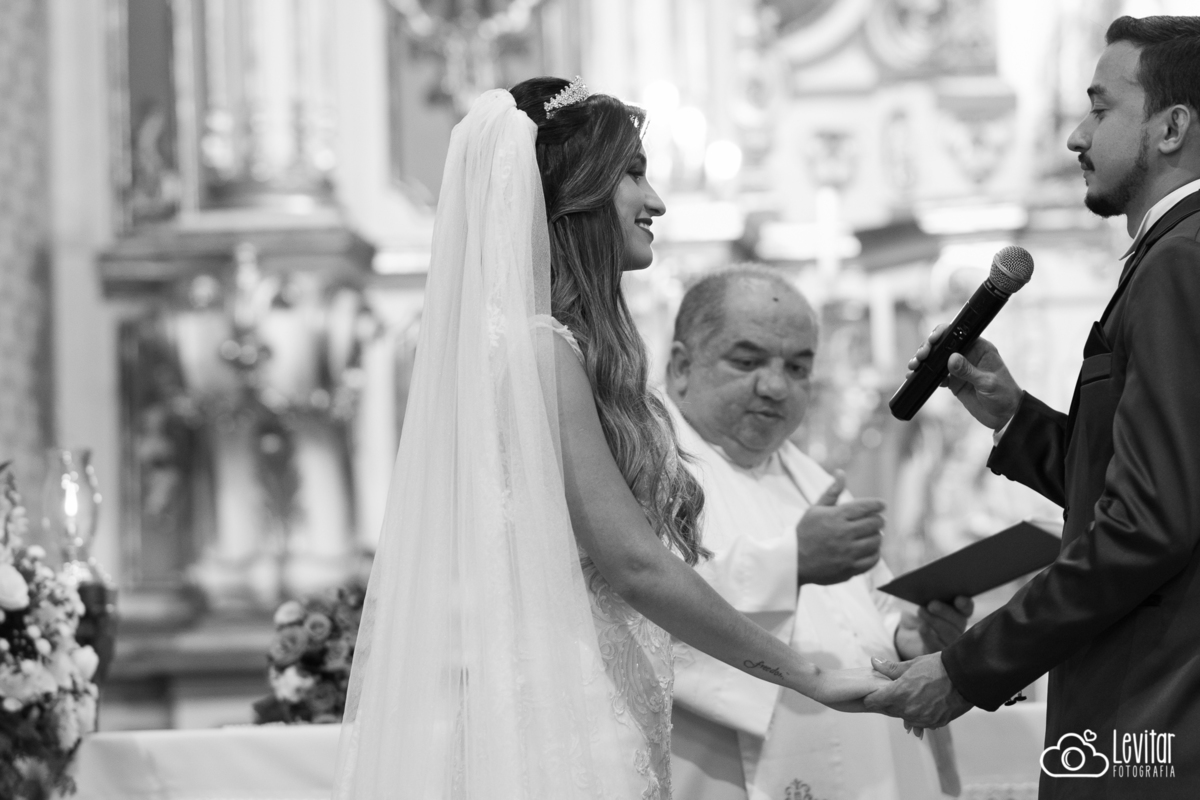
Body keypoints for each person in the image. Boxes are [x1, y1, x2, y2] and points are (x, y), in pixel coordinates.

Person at [333, 78, 888, 800]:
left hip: (597, 707)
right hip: (568, 728)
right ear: (577, 192)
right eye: (632, 172)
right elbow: (635, 565)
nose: (655, 200)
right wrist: (802, 673)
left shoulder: (544, 349)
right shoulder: (538, 350)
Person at [865, 15, 1200, 798]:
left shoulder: (1179, 263)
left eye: (1101, 108)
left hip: (1152, 714)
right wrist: (1016, 418)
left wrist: (968, 665)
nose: (1076, 136)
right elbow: (1159, 481)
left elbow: (1150, 522)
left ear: (1172, 127)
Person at [663, 267, 972, 800]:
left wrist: (914, 637)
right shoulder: (648, 464)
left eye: (799, 367)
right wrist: (791, 563)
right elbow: (641, 606)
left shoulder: (807, 475)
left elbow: (872, 612)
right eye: (747, 360)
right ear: (682, 366)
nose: (776, 386)